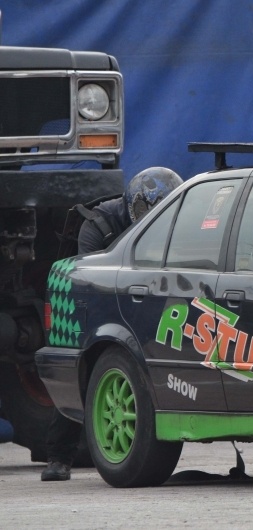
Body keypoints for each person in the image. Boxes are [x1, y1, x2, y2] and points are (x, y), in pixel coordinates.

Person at [41, 167, 182, 481]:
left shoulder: (182, 222)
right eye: (148, 214)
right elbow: (91, 280)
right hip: (89, 299)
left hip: (144, 297)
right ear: (133, 209)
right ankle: (58, 457)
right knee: (85, 366)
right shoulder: (96, 226)